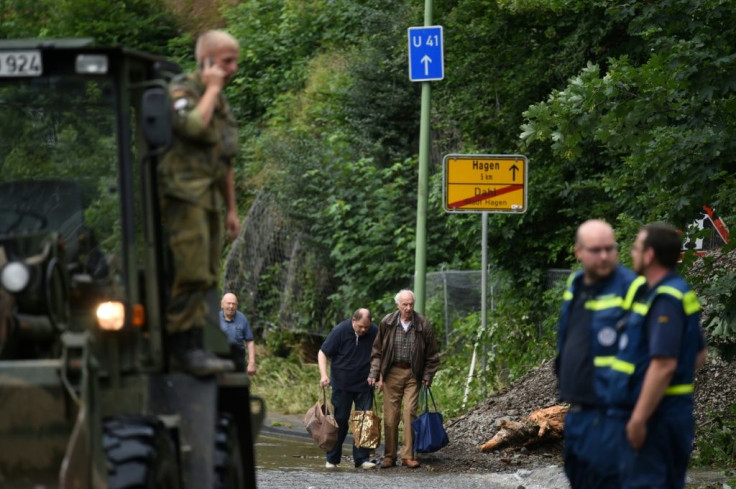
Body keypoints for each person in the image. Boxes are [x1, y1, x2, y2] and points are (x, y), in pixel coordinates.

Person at [158, 30, 242, 376]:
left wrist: (232, 209)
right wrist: (212, 88)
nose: (233, 68)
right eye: (227, 61)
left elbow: (224, 160)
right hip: (182, 194)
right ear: (206, 61)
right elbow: (192, 127)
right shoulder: (183, 90)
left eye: (235, 61)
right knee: (189, 271)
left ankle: (198, 343)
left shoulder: (218, 101)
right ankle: (182, 347)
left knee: (207, 274)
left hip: (207, 198)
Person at [606, 223, 706, 488]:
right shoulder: (672, 292)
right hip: (668, 414)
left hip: (656, 419)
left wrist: (639, 418)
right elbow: (698, 355)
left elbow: (663, 365)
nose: (632, 253)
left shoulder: (665, 299)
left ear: (649, 255)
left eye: (636, 248)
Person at [556, 219, 643, 488]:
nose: (604, 256)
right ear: (578, 252)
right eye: (596, 250)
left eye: (610, 248)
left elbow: (648, 357)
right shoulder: (576, 283)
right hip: (579, 411)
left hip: (615, 415)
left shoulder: (632, 288)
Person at [368, 289, 440, 469]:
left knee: (409, 414)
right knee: (391, 416)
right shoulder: (387, 322)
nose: (408, 308)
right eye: (405, 305)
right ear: (398, 305)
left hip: (413, 374)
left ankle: (408, 455)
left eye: (411, 304)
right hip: (391, 373)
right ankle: (389, 456)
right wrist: (374, 374)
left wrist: (427, 376)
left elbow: (432, 356)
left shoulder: (423, 324)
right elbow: (377, 352)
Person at [318, 308, 378, 470]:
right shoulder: (340, 331)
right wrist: (324, 375)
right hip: (341, 384)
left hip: (365, 384)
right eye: (360, 327)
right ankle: (332, 458)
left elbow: (380, 354)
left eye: (366, 326)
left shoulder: (374, 331)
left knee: (364, 420)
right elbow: (323, 353)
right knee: (340, 420)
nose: (364, 330)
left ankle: (362, 458)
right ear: (353, 320)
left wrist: (379, 377)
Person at [219, 292, 257, 375]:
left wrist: (252, 362)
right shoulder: (215, 319)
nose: (231, 306)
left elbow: (250, 341)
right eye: (228, 303)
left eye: (234, 304)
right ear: (222, 305)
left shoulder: (242, 319)